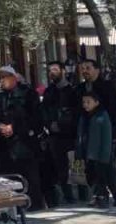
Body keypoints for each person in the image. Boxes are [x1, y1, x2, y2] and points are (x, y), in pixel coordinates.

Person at [0, 66, 45, 211]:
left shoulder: (28, 94)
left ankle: (33, 206)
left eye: (4, 77)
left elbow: (36, 118)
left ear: (14, 78)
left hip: (24, 143)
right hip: (5, 146)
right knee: (7, 177)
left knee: (29, 178)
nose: (1, 81)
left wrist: (14, 128)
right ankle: (11, 208)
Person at [75, 91, 116, 209]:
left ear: (96, 102)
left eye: (88, 102)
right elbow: (80, 135)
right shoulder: (84, 117)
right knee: (93, 177)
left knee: (108, 177)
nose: (85, 105)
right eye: (84, 102)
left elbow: (106, 138)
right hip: (88, 152)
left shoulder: (102, 116)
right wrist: (79, 152)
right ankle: (100, 197)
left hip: (102, 154)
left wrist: (104, 156)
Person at [40, 61, 78, 206]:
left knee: (76, 166)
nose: (52, 72)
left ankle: (82, 194)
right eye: (50, 70)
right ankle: (67, 196)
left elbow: (76, 113)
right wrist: (49, 124)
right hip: (54, 136)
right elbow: (43, 111)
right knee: (60, 167)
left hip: (71, 136)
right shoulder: (49, 92)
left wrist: (63, 124)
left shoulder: (72, 91)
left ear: (62, 71)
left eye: (55, 69)